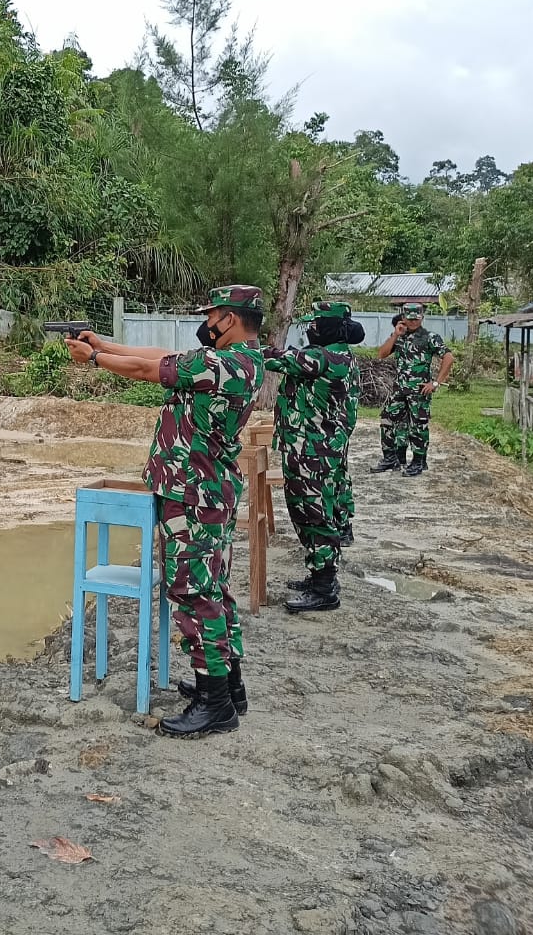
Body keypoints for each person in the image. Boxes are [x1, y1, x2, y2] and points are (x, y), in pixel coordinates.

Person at [65, 285, 265, 739]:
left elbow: (145, 368)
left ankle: (215, 704)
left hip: (193, 494)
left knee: (194, 592)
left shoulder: (221, 363)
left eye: (212, 315)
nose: (207, 323)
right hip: (207, 490)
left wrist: (93, 360)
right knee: (214, 588)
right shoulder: (240, 361)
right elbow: (161, 356)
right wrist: (104, 344)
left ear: (230, 319)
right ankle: (228, 687)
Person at [264, 300, 364, 615]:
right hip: (320, 451)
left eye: (317, 324)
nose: (311, 329)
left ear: (332, 327)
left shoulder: (324, 358)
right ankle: (320, 577)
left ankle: (324, 589)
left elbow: (277, 358)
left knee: (313, 516)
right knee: (317, 513)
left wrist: (246, 347)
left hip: (312, 454)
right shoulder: (342, 356)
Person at [371, 301, 453, 477]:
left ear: (422, 318)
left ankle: (418, 462)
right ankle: (390, 458)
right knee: (387, 420)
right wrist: (395, 334)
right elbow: (382, 354)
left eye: (417, 319)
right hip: (399, 389)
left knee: (418, 426)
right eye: (410, 319)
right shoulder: (399, 336)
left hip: (419, 391)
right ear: (403, 318)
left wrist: (436, 383)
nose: (413, 322)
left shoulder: (430, 337)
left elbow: (448, 357)